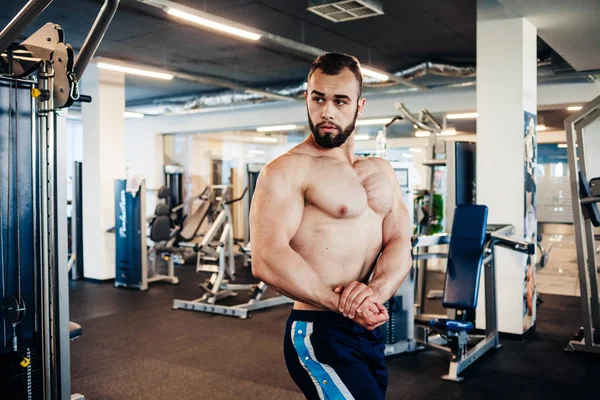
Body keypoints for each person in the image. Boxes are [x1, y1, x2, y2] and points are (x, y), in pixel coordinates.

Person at [250, 52, 412, 400]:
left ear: (359, 106)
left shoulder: (381, 170)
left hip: (367, 332)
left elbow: (400, 241)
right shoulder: (287, 170)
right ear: (306, 98)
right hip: (318, 331)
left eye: (340, 101)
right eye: (318, 98)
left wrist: (375, 295)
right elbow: (266, 256)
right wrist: (342, 304)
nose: (327, 111)